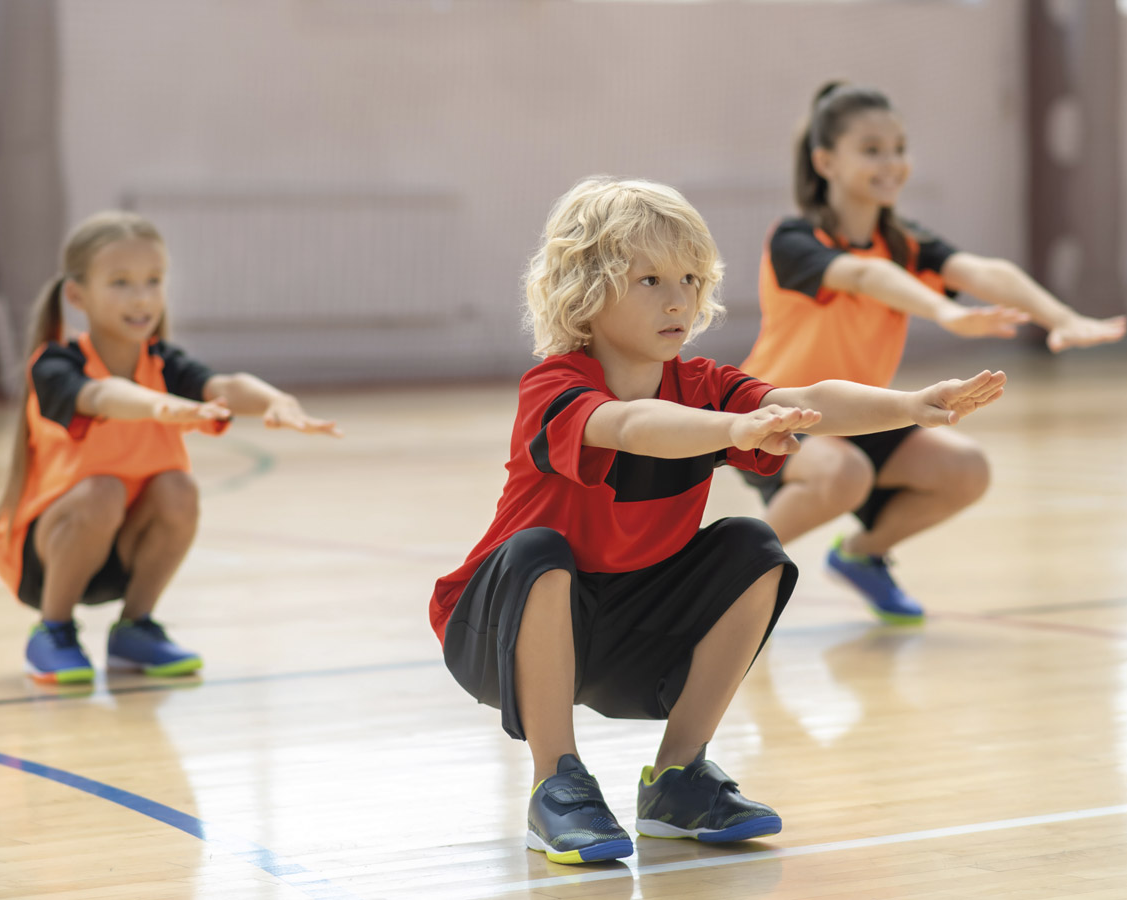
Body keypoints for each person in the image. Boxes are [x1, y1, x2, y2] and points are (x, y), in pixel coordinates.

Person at [429, 176, 1006, 864]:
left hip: (621, 637)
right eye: (649, 280)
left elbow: (812, 397)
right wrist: (734, 426)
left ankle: (678, 779)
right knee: (538, 552)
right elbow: (637, 425)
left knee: (752, 546)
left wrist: (910, 405)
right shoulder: (554, 388)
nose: (679, 299)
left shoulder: (704, 385)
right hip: (496, 630)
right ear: (585, 289)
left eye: (691, 278)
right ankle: (558, 785)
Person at [739, 81, 1127, 624]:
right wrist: (943, 312)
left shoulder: (907, 243)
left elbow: (984, 271)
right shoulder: (795, 238)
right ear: (825, 160)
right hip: (776, 412)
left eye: (899, 148)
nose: (892, 162)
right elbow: (865, 275)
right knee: (843, 475)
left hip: (862, 415)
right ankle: (729, 582)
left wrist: (1061, 318)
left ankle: (862, 556)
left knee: (966, 470)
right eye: (872, 149)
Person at [0, 211, 341, 685]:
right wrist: (160, 406)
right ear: (76, 295)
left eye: (153, 281)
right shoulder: (55, 364)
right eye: (121, 282)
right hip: (47, 555)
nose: (142, 297)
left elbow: (224, 385)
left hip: (122, 548)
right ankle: (52, 631)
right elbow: (102, 395)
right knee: (102, 489)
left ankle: (135, 629)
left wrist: (277, 401)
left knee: (177, 488)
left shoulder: (163, 362)